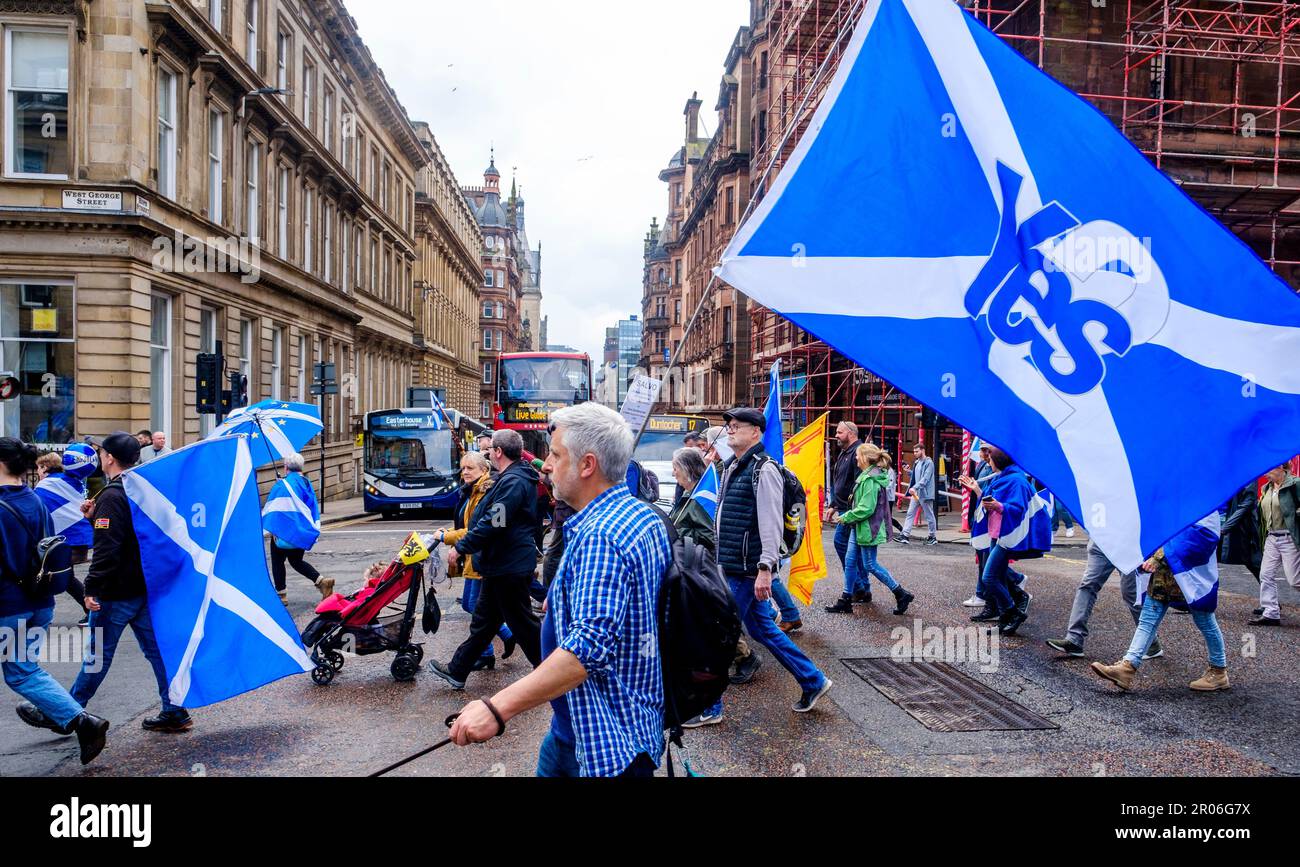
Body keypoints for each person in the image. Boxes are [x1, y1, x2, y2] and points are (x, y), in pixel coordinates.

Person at [447, 403, 672, 777]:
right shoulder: (637, 514)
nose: (546, 465)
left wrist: (497, 707)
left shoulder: (602, 536)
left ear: (587, 465)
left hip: (606, 740)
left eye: (555, 454)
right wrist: (564, 596)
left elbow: (588, 649)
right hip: (582, 725)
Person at [687, 407, 831, 727]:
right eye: (730, 426)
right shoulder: (734, 466)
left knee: (716, 633)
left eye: (738, 425)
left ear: (756, 433)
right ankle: (813, 681)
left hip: (747, 567)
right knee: (762, 629)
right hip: (734, 564)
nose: (731, 429)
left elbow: (770, 523)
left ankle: (710, 707)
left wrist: (766, 567)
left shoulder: (762, 469)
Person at [38, 433, 191, 732]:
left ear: (109, 458)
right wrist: (97, 518)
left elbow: (108, 546)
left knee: (97, 657)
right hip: (142, 586)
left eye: (102, 452)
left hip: (116, 592)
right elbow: (130, 536)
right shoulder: (140, 490)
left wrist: (92, 587)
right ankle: (174, 710)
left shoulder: (111, 495)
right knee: (156, 652)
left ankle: (67, 714)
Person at [2, 438, 110, 765]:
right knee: (22, 670)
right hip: (40, 603)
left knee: (20, 670)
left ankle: (81, 720)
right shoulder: (36, 501)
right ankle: (82, 721)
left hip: (6, 606)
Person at [427, 429, 543, 689]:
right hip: (500, 564)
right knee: (483, 623)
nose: (488, 452)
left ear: (498, 452)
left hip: (508, 565)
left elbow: (495, 521)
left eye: (491, 449)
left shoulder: (514, 481)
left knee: (522, 623)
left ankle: (549, 670)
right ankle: (457, 671)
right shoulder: (509, 478)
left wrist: (462, 546)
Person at [1091, 513, 1229, 693]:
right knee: (1148, 618)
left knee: (1204, 619)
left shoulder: (1203, 500)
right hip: (1164, 571)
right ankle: (1128, 666)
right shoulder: (1175, 494)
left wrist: (1159, 556)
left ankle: (1219, 671)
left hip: (1187, 573)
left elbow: (1203, 536)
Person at [958, 446, 1048, 636]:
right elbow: (990, 502)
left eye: (989, 457)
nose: (987, 460)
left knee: (989, 577)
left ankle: (1013, 610)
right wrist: (977, 490)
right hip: (997, 533)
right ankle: (1007, 614)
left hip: (1008, 536)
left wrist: (998, 505)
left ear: (998, 461)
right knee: (997, 576)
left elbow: (1017, 509)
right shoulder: (1003, 477)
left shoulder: (1016, 480)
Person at [444, 451, 515, 671]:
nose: (465, 472)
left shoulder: (485, 491)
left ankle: (486, 653)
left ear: (483, 470)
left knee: (477, 606)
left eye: (470, 468)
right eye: (463, 468)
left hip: (482, 558)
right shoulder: (471, 490)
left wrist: (445, 536)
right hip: (473, 558)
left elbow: (478, 529)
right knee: (469, 604)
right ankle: (507, 634)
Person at [826, 444, 915, 615]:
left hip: (867, 527)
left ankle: (900, 593)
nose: (856, 458)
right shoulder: (867, 476)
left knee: (870, 564)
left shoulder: (870, 480)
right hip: (860, 526)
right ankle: (846, 599)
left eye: (858, 456)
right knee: (851, 561)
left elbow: (866, 508)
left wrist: (845, 517)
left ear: (865, 458)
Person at [1044, 539, 1159, 660]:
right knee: (1087, 585)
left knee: (1131, 594)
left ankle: (1151, 642)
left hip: (1128, 543)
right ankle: (1074, 639)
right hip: (1102, 540)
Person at [33, 447, 95, 622]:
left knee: (58, 576)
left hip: (66, 539)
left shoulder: (48, 484)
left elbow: (38, 510)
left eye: (38, 467)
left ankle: (90, 610)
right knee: (63, 576)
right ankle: (89, 610)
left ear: (45, 467)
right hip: (77, 537)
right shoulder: (71, 481)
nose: (37, 471)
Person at [264, 453, 334, 605]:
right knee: (296, 561)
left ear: (286, 467)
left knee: (277, 561)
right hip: (300, 532)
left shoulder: (282, 485)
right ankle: (322, 581)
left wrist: (279, 485)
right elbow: (310, 507)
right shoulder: (306, 483)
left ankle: (281, 595)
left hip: (283, 533)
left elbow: (274, 508)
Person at [1250, 463, 1300, 626]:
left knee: (1295, 580)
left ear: (1281, 467)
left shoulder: (1295, 484)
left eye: (1269, 468)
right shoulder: (1266, 488)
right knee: (1266, 574)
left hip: (1289, 537)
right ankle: (1271, 612)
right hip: (1272, 537)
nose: (1265, 473)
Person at [828, 421, 870, 602]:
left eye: (839, 432)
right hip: (844, 507)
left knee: (840, 543)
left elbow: (857, 484)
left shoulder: (859, 453)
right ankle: (862, 587)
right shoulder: (845, 452)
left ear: (851, 433)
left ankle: (859, 586)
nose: (836, 435)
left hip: (851, 510)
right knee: (855, 552)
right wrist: (833, 505)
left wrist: (851, 512)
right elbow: (840, 481)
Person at [962, 443, 998, 608]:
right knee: (985, 559)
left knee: (986, 560)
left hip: (990, 517)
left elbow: (991, 495)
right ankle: (1016, 582)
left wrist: (977, 490)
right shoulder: (983, 465)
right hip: (980, 513)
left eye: (986, 449)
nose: (983, 452)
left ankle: (982, 595)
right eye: (982, 449)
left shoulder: (996, 469)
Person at [669, 446, 715, 551]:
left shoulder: (700, 499)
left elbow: (709, 538)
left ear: (686, 469)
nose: (673, 474)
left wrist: (675, 532)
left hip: (697, 563)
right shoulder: (688, 494)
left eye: (675, 469)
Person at [1218, 481, 1261, 581]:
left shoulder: (1248, 475)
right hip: (1222, 523)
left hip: (1241, 527)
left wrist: (1225, 527)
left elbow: (1247, 503)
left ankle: (1268, 594)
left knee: (1255, 564)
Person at [897, 442, 937, 546]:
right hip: (916, 493)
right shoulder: (917, 462)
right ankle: (905, 535)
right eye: (914, 451)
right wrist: (909, 471)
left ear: (923, 450)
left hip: (925, 494)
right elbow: (916, 476)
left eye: (917, 451)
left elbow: (926, 479)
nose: (915, 453)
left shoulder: (929, 463)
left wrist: (914, 487)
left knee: (929, 515)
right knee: (910, 513)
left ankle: (932, 536)